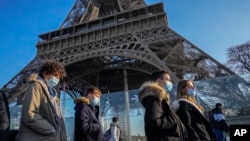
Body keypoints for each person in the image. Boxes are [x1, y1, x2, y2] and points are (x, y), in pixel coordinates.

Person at [15, 60, 67, 141]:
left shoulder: (53, 96)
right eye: (55, 75)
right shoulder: (36, 86)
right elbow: (30, 114)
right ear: (45, 73)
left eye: (59, 77)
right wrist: (51, 130)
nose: (57, 79)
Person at [138, 70, 188, 141]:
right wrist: (173, 119)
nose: (170, 83)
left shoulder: (159, 99)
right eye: (167, 79)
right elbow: (154, 123)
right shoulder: (154, 98)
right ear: (158, 81)